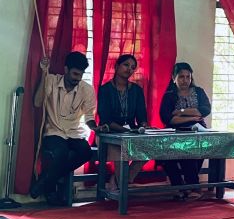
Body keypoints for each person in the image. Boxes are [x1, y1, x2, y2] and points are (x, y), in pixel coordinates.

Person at [30, 51, 106, 205]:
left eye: (80, 75)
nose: (77, 78)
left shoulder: (87, 89)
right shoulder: (51, 80)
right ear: (66, 69)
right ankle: (50, 189)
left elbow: (89, 116)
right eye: (75, 74)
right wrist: (44, 74)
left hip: (74, 133)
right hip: (53, 131)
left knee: (86, 152)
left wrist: (95, 128)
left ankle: (45, 181)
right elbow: (37, 103)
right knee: (61, 152)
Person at [97, 54, 149, 190]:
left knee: (149, 148)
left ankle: (119, 181)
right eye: (126, 65)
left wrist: (143, 127)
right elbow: (106, 119)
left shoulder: (137, 90)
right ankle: (121, 188)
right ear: (116, 66)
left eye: (132, 67)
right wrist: (126, 131)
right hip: (109, 133)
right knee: (120, 149)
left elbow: (142, 116)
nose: (129, 69)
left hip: (131, 133)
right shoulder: (105, 90)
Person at [158, 62, 211, 195]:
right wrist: (192, 117)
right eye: (181, 77)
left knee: (194, 151)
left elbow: (204, 110)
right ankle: (182, 187)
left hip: (198, 132)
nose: (185, 80)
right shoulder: (169, 95)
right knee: (167, 156)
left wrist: (180, 112)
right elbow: (168, 119)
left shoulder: (199, 92)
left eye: (188, 77)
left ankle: (190, 187)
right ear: (173, 77)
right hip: (176, 133)